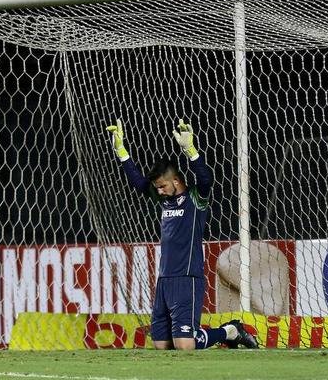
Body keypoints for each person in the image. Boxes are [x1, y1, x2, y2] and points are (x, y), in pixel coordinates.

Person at [106, 118, 258, 351]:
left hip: (187, 278)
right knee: (161, 345)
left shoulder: (195, 199)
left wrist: (191, 151)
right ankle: (223, 333)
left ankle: (230, 331)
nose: (158, 191)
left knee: (184, 346)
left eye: (162, 186)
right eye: (156, 187)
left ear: (175, 181)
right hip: (165, 279)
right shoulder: (165, 200)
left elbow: (206, 179)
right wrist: (121, 151)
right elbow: (138, 183)